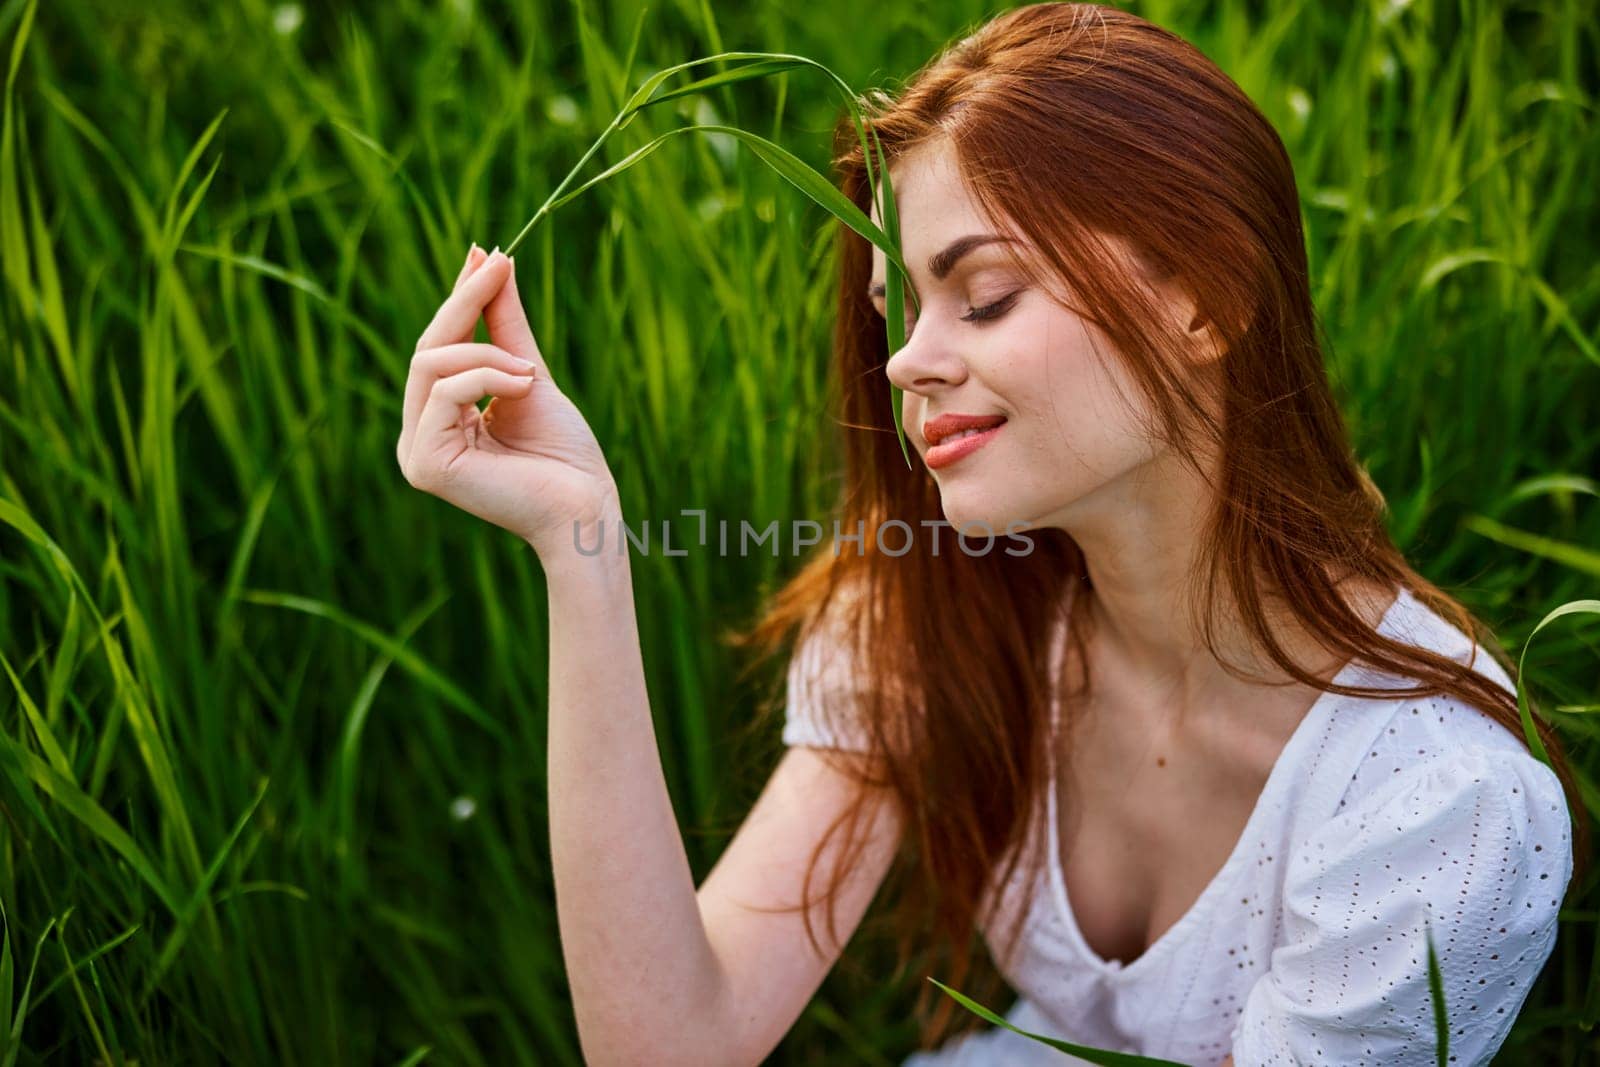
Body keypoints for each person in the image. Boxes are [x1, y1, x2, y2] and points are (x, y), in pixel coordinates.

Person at [395, 4, 1585, 1064]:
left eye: (987, 294)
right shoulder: (945, 616)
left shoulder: (1433, 805)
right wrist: (579, 546)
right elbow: (668, 1043)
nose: (907, 357)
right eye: (896, 309)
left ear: (1205, 297)